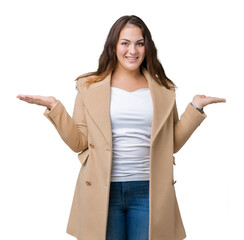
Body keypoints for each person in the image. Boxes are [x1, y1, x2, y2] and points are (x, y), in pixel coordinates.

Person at [17, 15, 226, 240]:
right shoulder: (89, 87)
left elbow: (171, 144)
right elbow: (78, 142)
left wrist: (195, 108)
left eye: (139, 43)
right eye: (125, 43)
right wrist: (54, 107)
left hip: (149, 191)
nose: (132, 51)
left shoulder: (164, 90)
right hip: (102, 191)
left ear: (147, 47)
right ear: (114, 46)